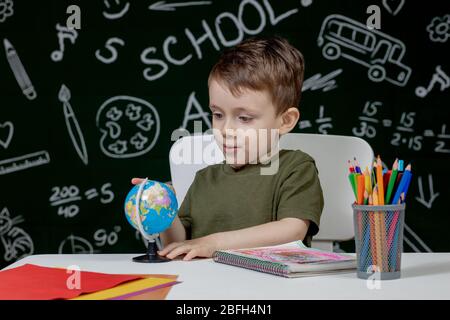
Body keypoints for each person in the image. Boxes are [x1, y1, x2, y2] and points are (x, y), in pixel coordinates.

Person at [132, 36, 324, 260]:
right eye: (218, 115)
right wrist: (165, 211)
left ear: (285, 121)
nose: (226, 129)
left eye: (244, 118)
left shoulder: (295, 168)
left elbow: (292, 231)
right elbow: (179, 245)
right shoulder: (204, 179)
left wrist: (215, 243)